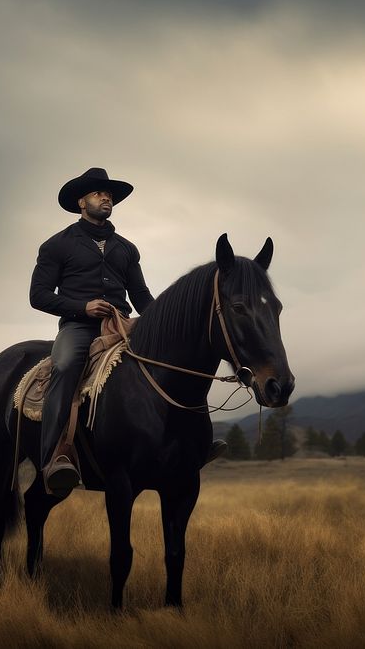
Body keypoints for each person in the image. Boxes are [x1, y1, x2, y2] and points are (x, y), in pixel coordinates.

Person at [30, 167, 225, 497]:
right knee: (64, 367)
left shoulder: (126, 248)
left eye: (109, 194)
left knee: (172, 363)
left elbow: (141, 296)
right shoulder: (57, 245)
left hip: (123, 324)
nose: (106, 197)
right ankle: (55, 456)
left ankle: (193, 443)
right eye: (97, 193)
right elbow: (39, 295)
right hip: (79, 327)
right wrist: (83, 307)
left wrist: (166, 325)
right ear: (81, 202)